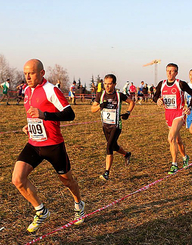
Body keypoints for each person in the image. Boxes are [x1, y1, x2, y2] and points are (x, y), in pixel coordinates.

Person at [12, 59, 85, 233]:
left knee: (67, 181)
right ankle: (41, 211)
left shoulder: (51, 90)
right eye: (25, 73)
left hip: (53, 145)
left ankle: (79, 203)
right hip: (34, 144)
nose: (28, 77)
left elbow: (70, 114)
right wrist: (30, 126)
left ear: (42, 73)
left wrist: (44, 115)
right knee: (17, 179)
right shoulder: (27, 91)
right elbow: (34, 115)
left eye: (31, 73)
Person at [153, 63, 192, 174]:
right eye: (168, 70)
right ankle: (185, 157)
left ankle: (174, 165)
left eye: (172, 71)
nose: (169, 73)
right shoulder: (161, 84)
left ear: (176, 73)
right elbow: (155, 96)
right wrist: (157, 100)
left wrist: (189, 107)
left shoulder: (180, 84)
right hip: (168, 114)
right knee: (177, 140)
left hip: (179, 113)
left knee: (171, 138)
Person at [91, 74, 135, 180]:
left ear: (114, 84)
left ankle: (106, 173)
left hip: (116, 126)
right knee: (114, 146)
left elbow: (131, 102)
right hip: (105, 126)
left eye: (110, 84)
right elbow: (92, 109)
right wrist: (100, 106)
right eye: (105, 84)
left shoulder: (119, 95)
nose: (107, 86)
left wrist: (128, 112)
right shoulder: (100, 95)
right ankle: (126, 154)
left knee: (109, 147)